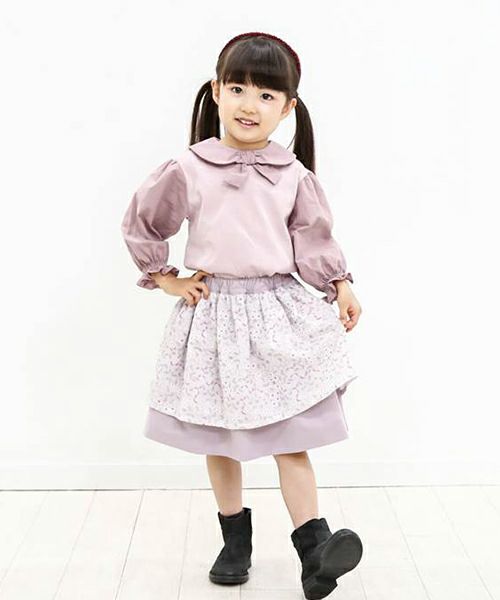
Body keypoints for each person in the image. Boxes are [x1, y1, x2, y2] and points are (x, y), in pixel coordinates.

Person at [121, 31, 363, 600]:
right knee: (221, 437)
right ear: (217, 91)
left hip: (277, 314)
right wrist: (166, 278)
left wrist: (340, 283)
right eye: (238, 89)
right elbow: (145, 222)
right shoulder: (189, 167)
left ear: (288, 107)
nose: (250, 105)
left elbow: (312, 238)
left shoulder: (293, 174)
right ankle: (235, 542)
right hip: (216, 316)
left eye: (267, 95)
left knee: (292, 435)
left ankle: (314, 550)